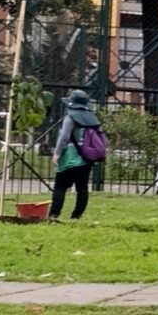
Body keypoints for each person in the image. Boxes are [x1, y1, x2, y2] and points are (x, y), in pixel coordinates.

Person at [50, 88, 106, 220]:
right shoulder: (93, 118)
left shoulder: (70, 117)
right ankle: (76, 215)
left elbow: (64, 137)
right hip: (86, 159)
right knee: (82, 188)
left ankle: (54, 214)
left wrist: (56, 154)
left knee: (60, 187)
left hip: (68, 158)